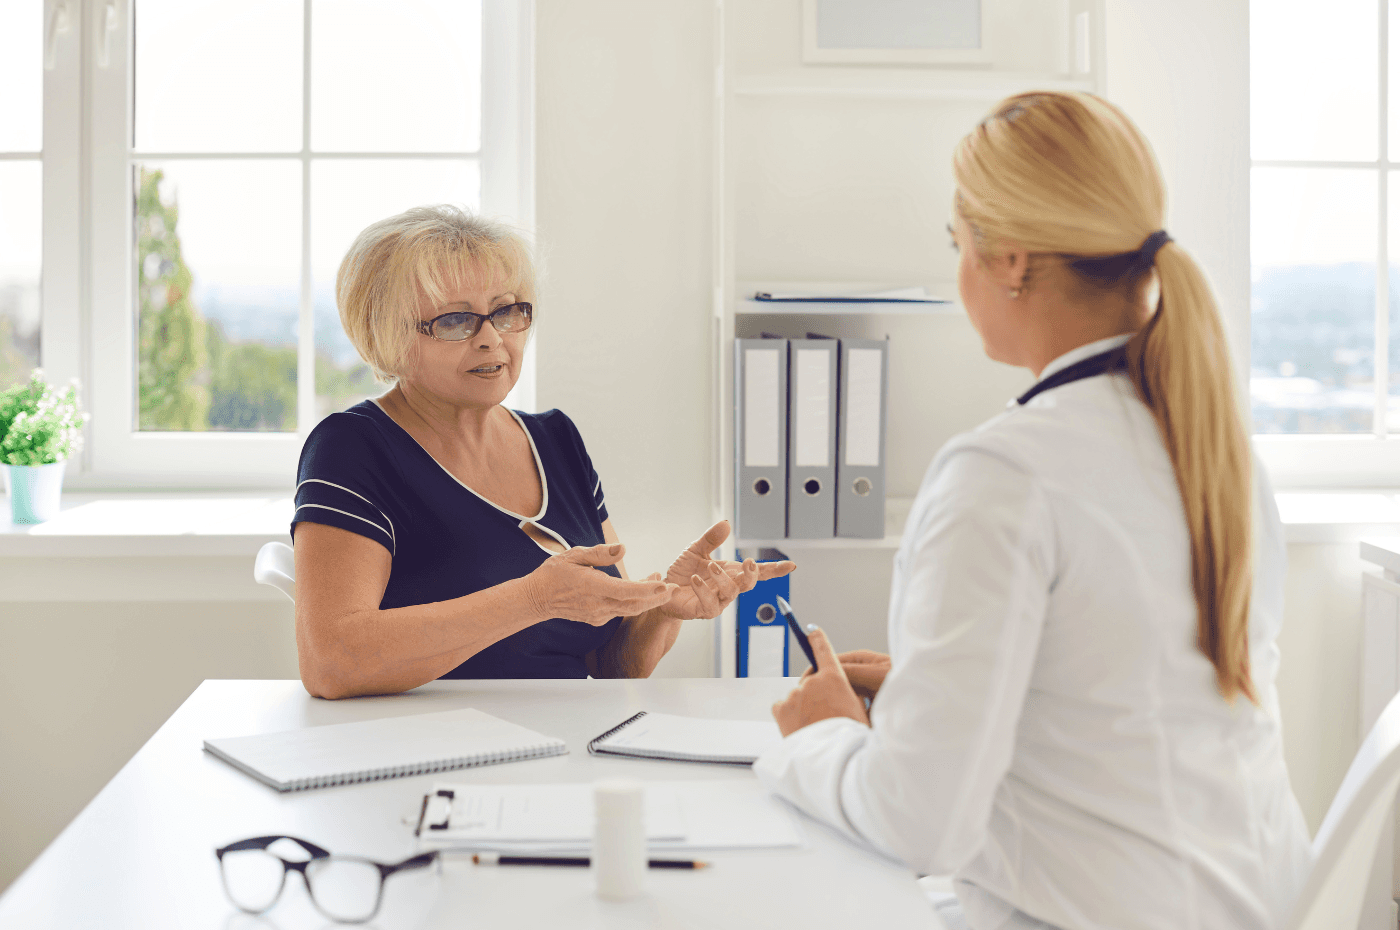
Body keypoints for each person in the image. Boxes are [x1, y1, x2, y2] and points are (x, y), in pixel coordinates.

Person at [754, 92, 1311, 930]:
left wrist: (820, 737)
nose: (961, 268)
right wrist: (931, 695)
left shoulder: (1003, 473)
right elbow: (1135, 696)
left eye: (959, 244)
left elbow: (919, 823)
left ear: (1010, 259)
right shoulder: (1219, 451)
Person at [292, 205, 793, 698]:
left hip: (566, 747)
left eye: (507, 312)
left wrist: (661, 608)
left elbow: (613, 666)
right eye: (455, 321)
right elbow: (332, 661)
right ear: (390, 334)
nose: (492, 339)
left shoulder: (556, 440)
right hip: (429, 756)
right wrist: (533, 599)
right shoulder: (352, 448)